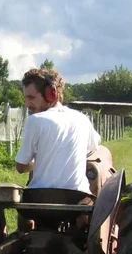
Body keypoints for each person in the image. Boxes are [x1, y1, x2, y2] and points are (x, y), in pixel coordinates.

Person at [13, 67, 103, 231]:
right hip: (78, 199)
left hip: (39, 198)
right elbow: (95, 145)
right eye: (26, 98)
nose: (27, 104)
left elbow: (21, 167)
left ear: (51, 93)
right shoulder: (81, 119)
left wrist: (38, 162)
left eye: (31, 98)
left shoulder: (35, 121)